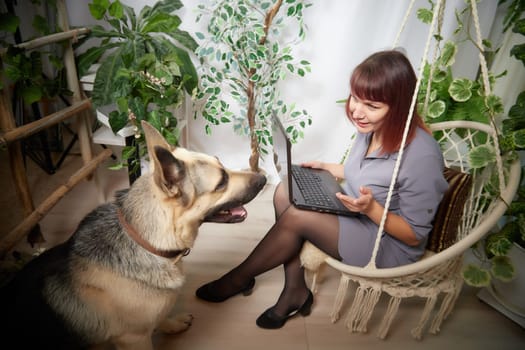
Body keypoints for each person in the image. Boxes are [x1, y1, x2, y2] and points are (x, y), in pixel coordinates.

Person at [195, 49, 449, 329]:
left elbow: (414, 235)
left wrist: (372, 208)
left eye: (372, 106)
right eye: (355, 98)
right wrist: (327, 167)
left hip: (388, 243)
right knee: (284, 190)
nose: (357, 111)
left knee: (297, 217)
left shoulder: (422, 156)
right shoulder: (371, 129)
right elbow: (366, 173)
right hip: (358, 214)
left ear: (400, 107)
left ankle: (239, 278)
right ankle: (295, 290)